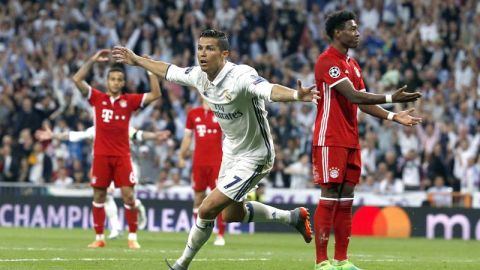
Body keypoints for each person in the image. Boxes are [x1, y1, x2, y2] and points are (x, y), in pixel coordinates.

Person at [112, 29, 318, 269]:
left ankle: (181, 264)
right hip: (231, 151)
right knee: (231, 215)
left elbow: (269, 89)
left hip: (256, 155)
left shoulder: (241, 76)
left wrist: (295, 94)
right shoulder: (199, 76)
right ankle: (292, 217)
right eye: (200, 48)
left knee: (207, 207)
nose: (202, 54)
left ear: (224, 54)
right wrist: (136, 60)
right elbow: (169, 71)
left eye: (209, 49)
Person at [311, 11, 423, 270]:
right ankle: (321, 262)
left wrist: (394, 117)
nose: (357, 33)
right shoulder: (327, 61)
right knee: (329, 194)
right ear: (338, 32)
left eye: (357, 28)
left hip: (351, 139)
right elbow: (355, 97)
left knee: (347, 196)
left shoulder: (353, 65)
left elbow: (364, 104)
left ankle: (341, 260)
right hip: (330, 138)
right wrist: (389, 97)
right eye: (352, 29)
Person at [72, 49, 161, 249]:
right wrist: (92, 60)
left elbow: (156, 94)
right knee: (99, 197)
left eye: (119, 79)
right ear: (107, 81)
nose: (116, 82)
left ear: (123, 82)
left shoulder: (129, 101)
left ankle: (132, 237)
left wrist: (150, 70)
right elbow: (77, 79)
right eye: (112, 79)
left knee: (129, 196)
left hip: (122, 156)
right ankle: (99, 238)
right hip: (101, 156)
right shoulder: (97, 98)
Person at [35, 125, 170, 239]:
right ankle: (116, 228)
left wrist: (154, 136)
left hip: (128, 163)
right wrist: (53, 135)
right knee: (106, 195)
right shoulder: (97, 128)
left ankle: (139, 207)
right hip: (106, 164)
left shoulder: (123, 125)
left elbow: (138, 134)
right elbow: (73, 135)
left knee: (128, 197)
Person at [178, 98, 226, 246]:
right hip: (199, 162)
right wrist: (181, 155)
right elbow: (187, 137)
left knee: (218, 199)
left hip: (217, 162)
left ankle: (220, 234)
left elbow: (229, 137)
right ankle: (196, 232)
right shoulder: (193, 114)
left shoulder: (221, 112)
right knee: (198, 196)